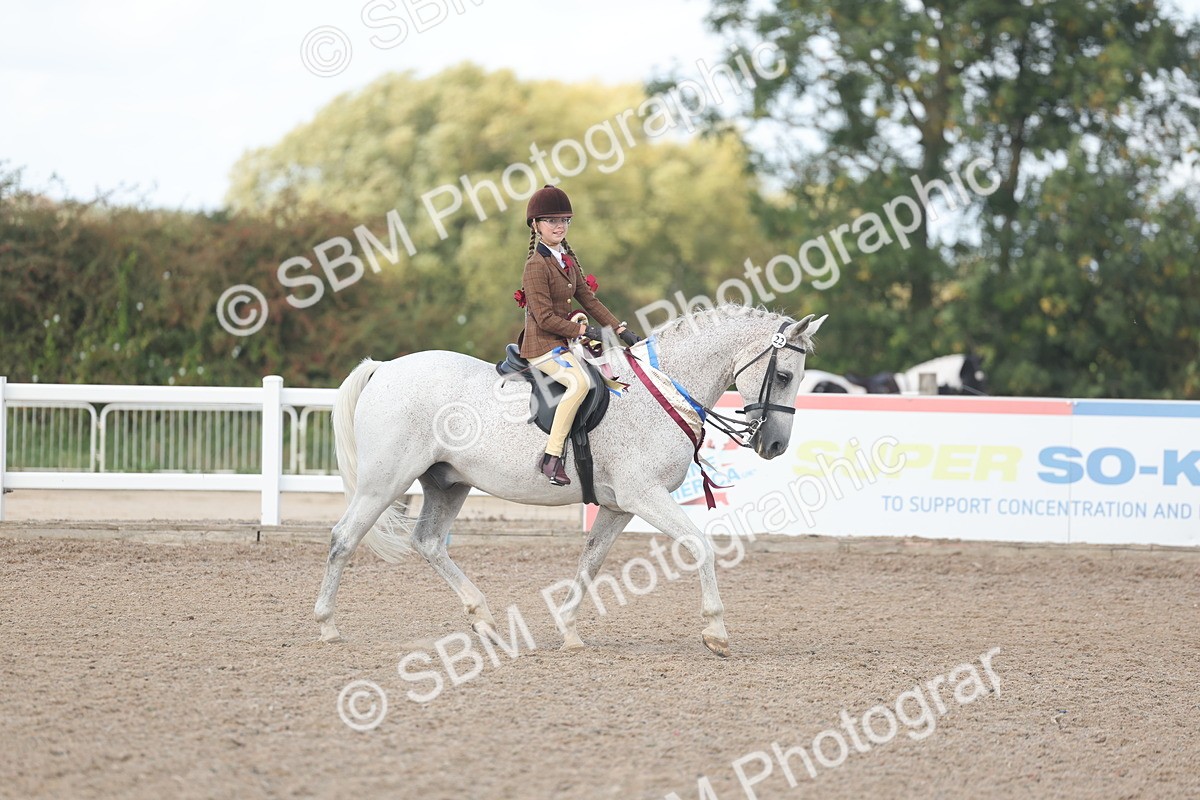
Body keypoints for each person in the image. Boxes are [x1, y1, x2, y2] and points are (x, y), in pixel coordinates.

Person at [517, 184, 640, 486]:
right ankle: (552, 456)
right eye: (551, 220)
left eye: (564, 220)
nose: (559, 226)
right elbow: (544, 318)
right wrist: (584, 331)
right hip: (542, 345)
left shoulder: (567, 260)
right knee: (580, 382)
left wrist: (621, 330)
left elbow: (589, 299)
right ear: (536, 225)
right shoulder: (535, 266)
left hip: (565, 342)